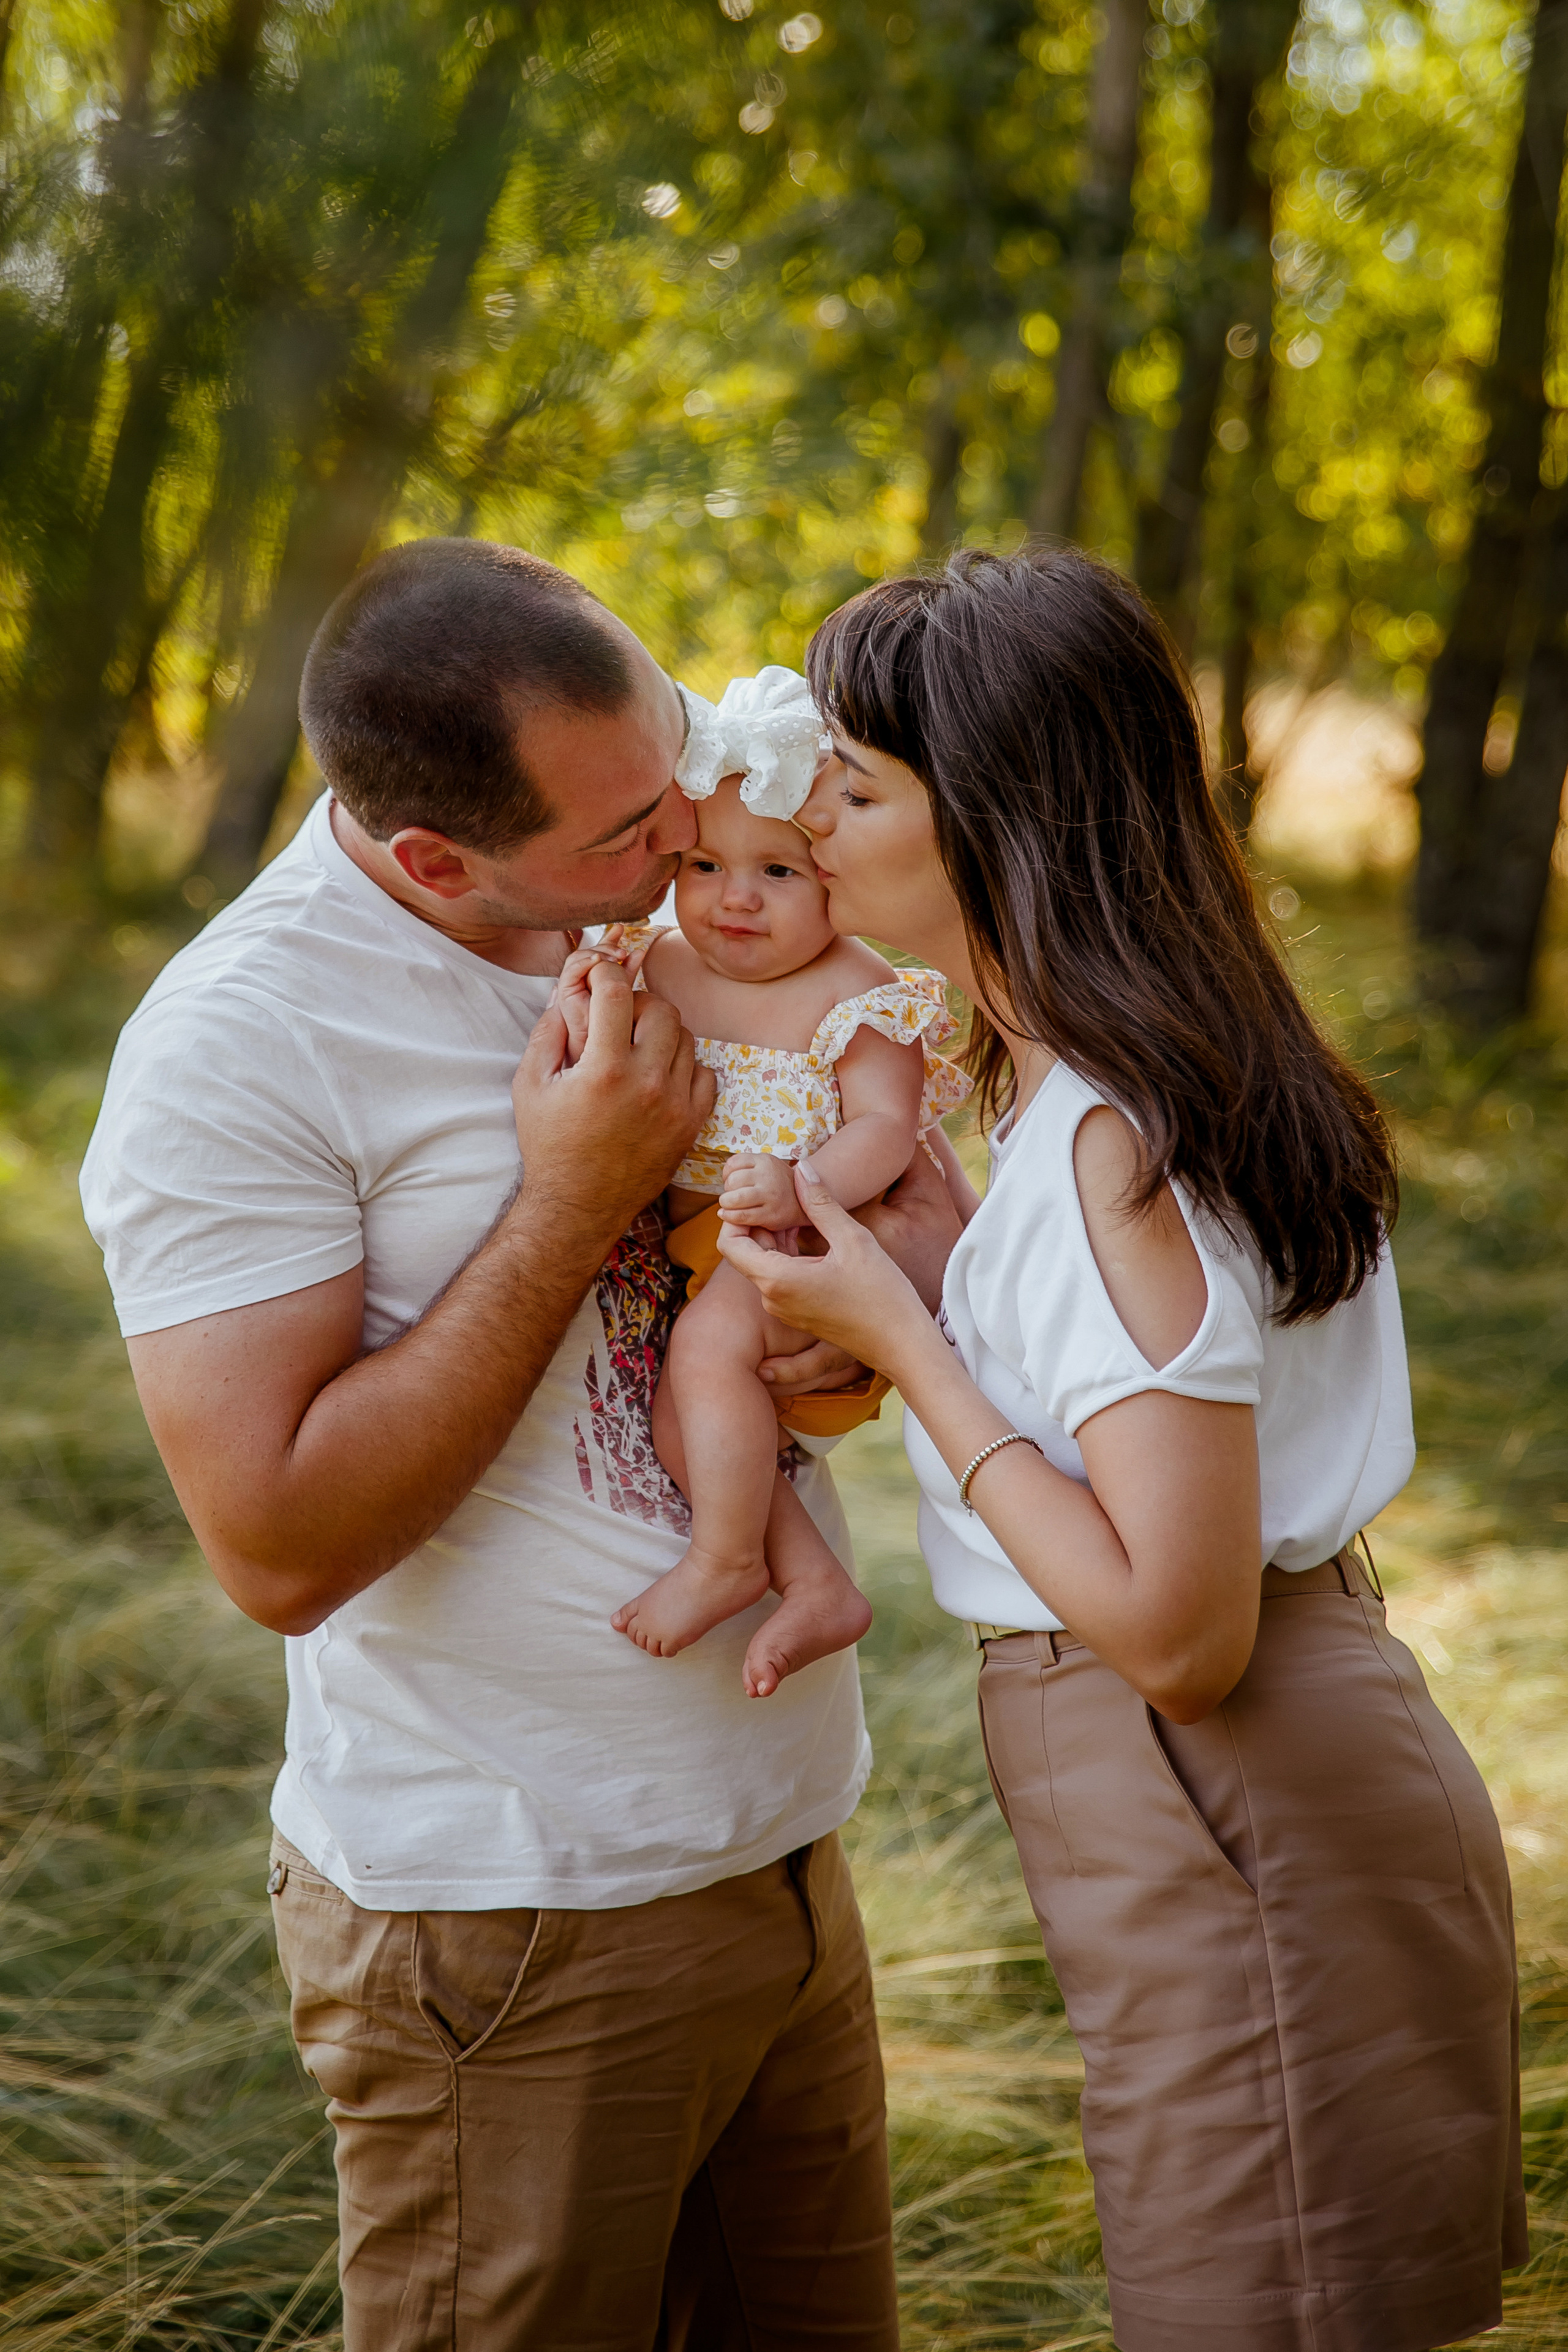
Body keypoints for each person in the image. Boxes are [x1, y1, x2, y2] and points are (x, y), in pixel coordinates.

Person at [78, 538, 955, 2351]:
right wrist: (571, 1201)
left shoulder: (667, 862)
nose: (695, 837)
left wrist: (874, 1305)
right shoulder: (241, 1048)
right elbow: (277, 1548)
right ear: (434, 863)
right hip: (515, 1921)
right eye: (633, 832)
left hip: (782, 1846)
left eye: (680, 758)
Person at [718, 545, 1526, 2352]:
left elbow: (1178, 1631)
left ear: (995, 822)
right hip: (1249, 1779)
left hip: (1216, 1774)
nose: (808, 819)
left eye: (856, 787)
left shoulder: (1107, 1136)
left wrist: (905, 1343)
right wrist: (952, 1281)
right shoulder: (1118, 1082)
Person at [552, 668, 970, 1697]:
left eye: (778, 871)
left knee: (705, 1357)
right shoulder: (657, 963)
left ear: (830, 873)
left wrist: (803, 1186)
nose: (735, 898)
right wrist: (586, 1003)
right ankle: (811, 1580)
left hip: (801, 1241)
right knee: (679, 1416)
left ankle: (726, 1560)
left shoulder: (860, 995)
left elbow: (888, 1129)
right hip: (705, 1246)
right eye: (705, 865)